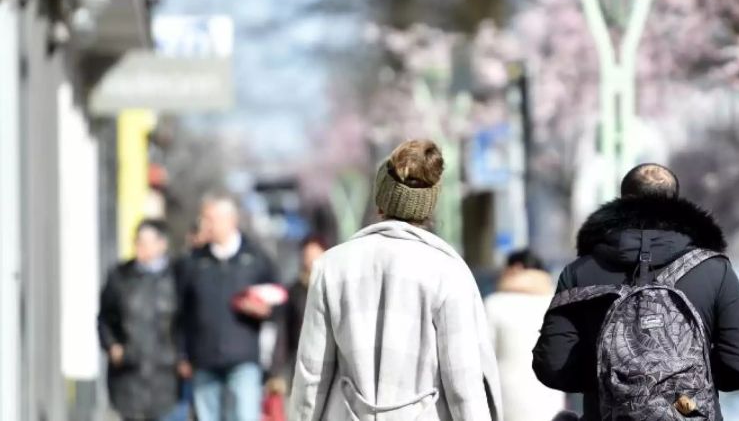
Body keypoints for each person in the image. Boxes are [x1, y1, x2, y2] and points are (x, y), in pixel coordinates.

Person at [532, 163, 739, 421]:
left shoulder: (580, 272)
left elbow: (552, 366)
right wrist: (684, 377)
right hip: (687, 412)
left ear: (622, 203)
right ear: (676, 202)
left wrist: (616, 377)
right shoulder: (713, 270)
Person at [289, 139, 503, 420]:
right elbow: (463, 384)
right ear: (428, 208)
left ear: (381, 200)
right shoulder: (448, 271)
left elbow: (311, 376)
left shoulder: (331, 266)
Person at [177, 193, 279, 421]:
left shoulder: (256, 258)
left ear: (231, 220)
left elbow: (279, 300)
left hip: (244, 359)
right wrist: (183, 353)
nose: (206, 225)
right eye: (205, 218)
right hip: (203, 360)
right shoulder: (192, 262)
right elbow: (181, 311)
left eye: (211, 218)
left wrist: (264, 311)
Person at [98, 220, 180, 421]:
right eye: (137, 241)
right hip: (129, 372)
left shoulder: (177, 278)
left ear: (162, 244)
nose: (139, 247)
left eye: (145, 242)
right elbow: (105, 318)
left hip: (166, 374)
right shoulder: (120, 277)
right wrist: (112, 346)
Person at [485, 249, 566, 421]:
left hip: (507, 403)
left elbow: (483, 358)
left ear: (516, 268)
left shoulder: (495, 304)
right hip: (550, 401)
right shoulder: (556, 304)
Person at [269, 234, 328, 392]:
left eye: (315, 255)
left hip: (329, 362)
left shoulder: (334, 288)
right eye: (307, 256)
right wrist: (276, 372)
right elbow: (283, 334)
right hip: (300, 363)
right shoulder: (294, 292)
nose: (311, 261)